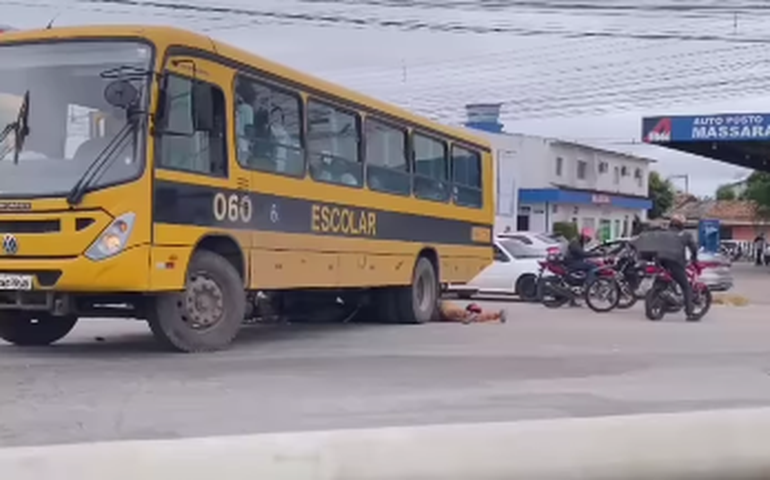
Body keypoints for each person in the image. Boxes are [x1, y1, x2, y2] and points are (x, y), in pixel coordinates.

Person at [651, 214, 699, 320]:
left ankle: (656, 301)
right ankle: (690, 313)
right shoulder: (686, 235)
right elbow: (694, 248)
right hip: (675, 262)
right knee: (686, 287)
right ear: (682, 224)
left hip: (660, 261)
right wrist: (694, 259)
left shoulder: (663, 233)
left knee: (658, 280)